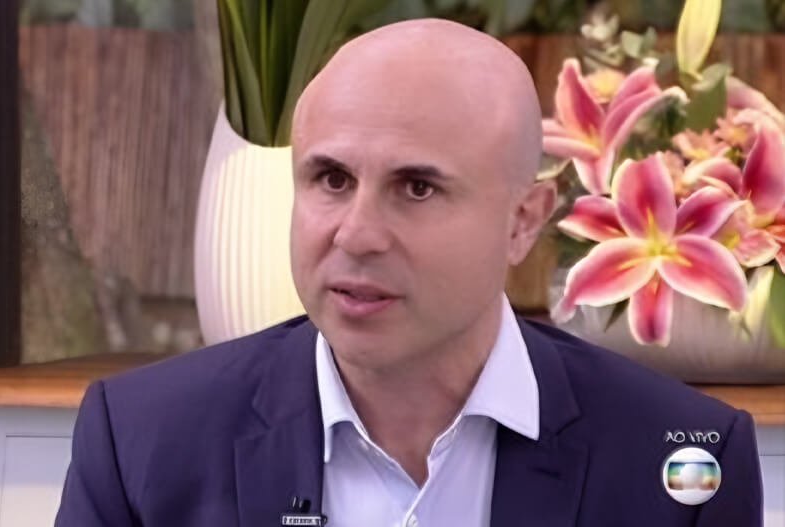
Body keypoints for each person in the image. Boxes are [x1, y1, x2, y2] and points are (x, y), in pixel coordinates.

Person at [55, 18, 763, 527]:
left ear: (522, 221)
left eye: (417, 188)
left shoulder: (680, 460)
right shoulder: (141, 441)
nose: (356, 234)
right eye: (331, 179)